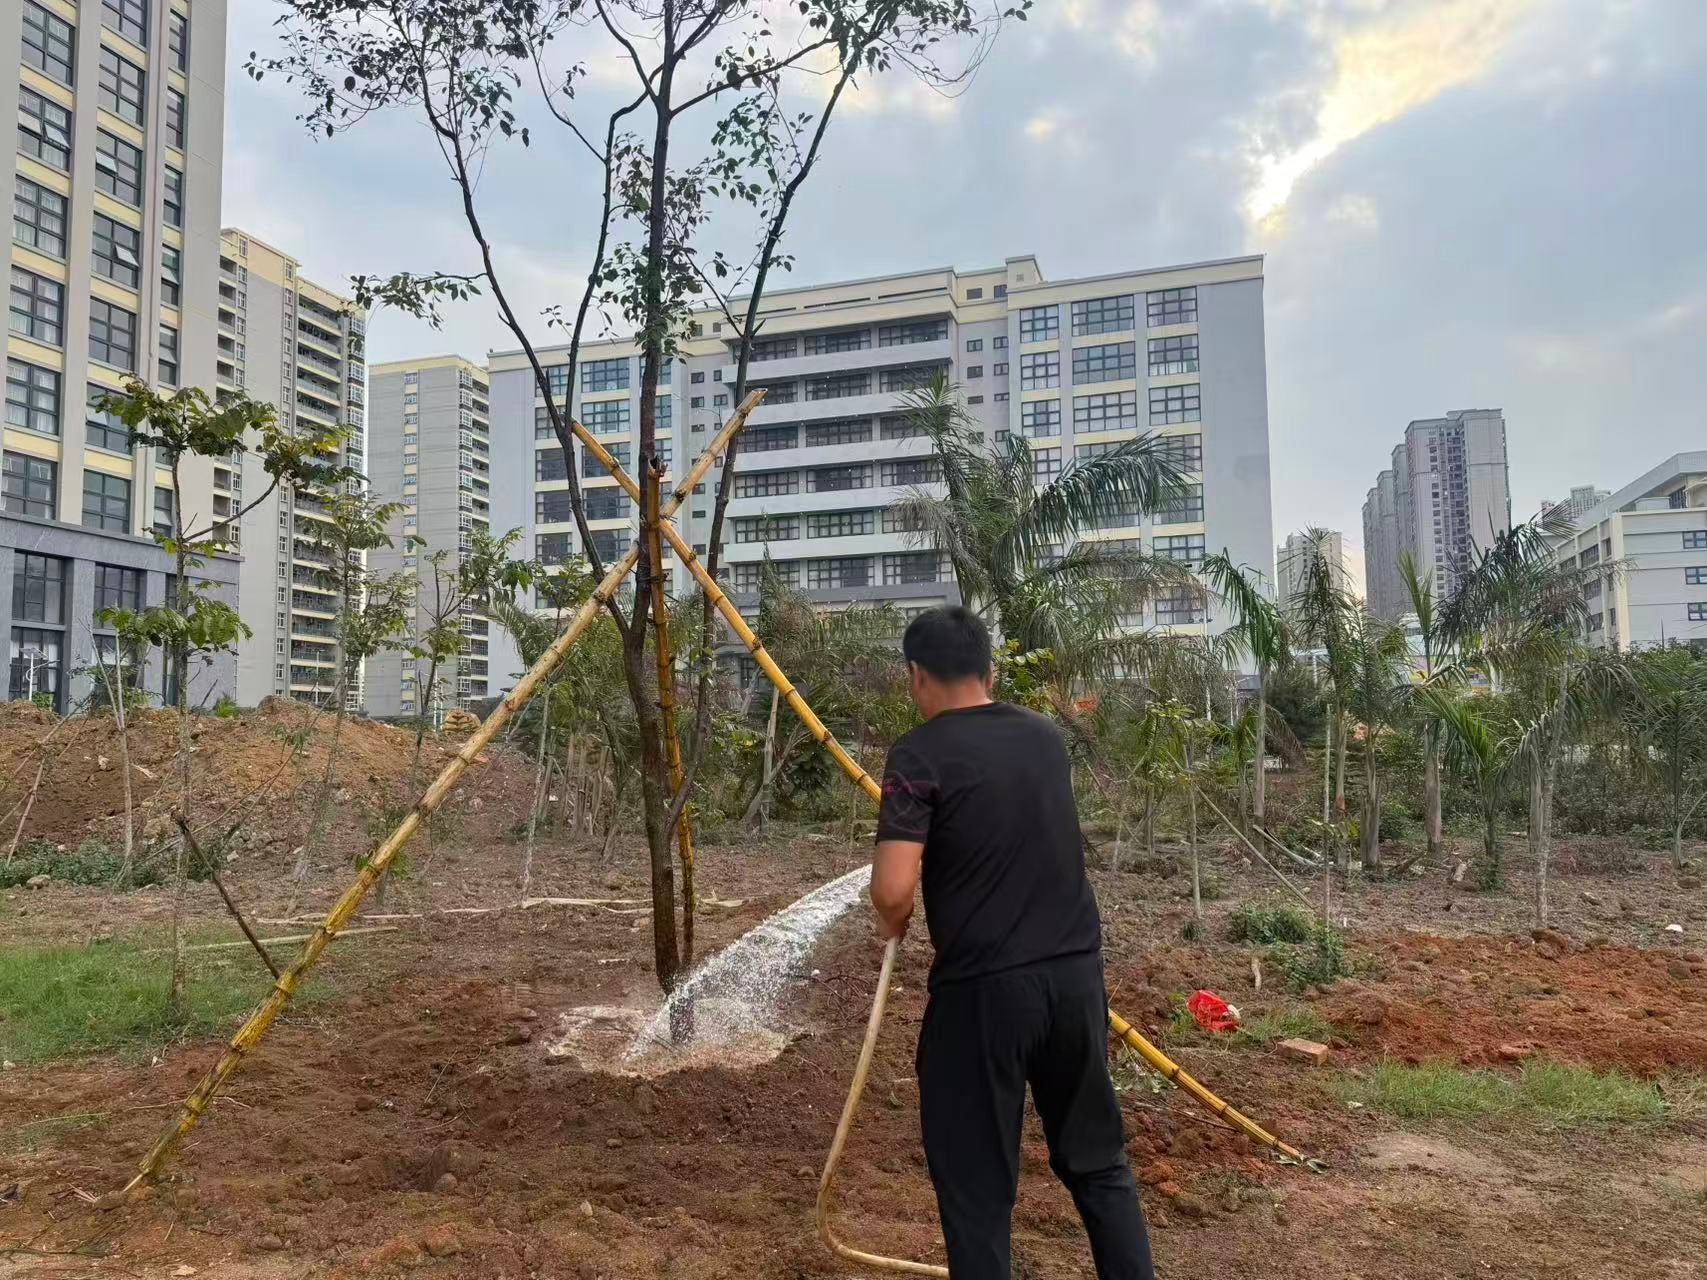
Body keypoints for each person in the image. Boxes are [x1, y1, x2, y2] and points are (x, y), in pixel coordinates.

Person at [870, 605, 1157, 1280]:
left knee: (975, 1187)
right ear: (990, 670)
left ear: (916, 676)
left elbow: (891, 889)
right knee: (1098, 1163)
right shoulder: (1044, 736)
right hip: (1074, 982)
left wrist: (892, 917)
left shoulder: (917, 755)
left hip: (983, 995)